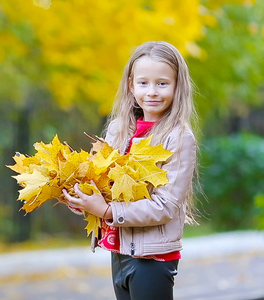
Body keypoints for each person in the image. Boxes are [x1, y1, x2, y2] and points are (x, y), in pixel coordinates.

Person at [62, 41, 198, 300]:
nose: (152, 92)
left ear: (178, 86)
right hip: (120, 251)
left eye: (162, 83)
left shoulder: (178, 138)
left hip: (153, 259)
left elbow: (166, 205)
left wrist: (106, 211)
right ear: (131, 85)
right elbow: (104, 185)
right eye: (143, 83)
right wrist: (82, 198)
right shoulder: (118, 129)